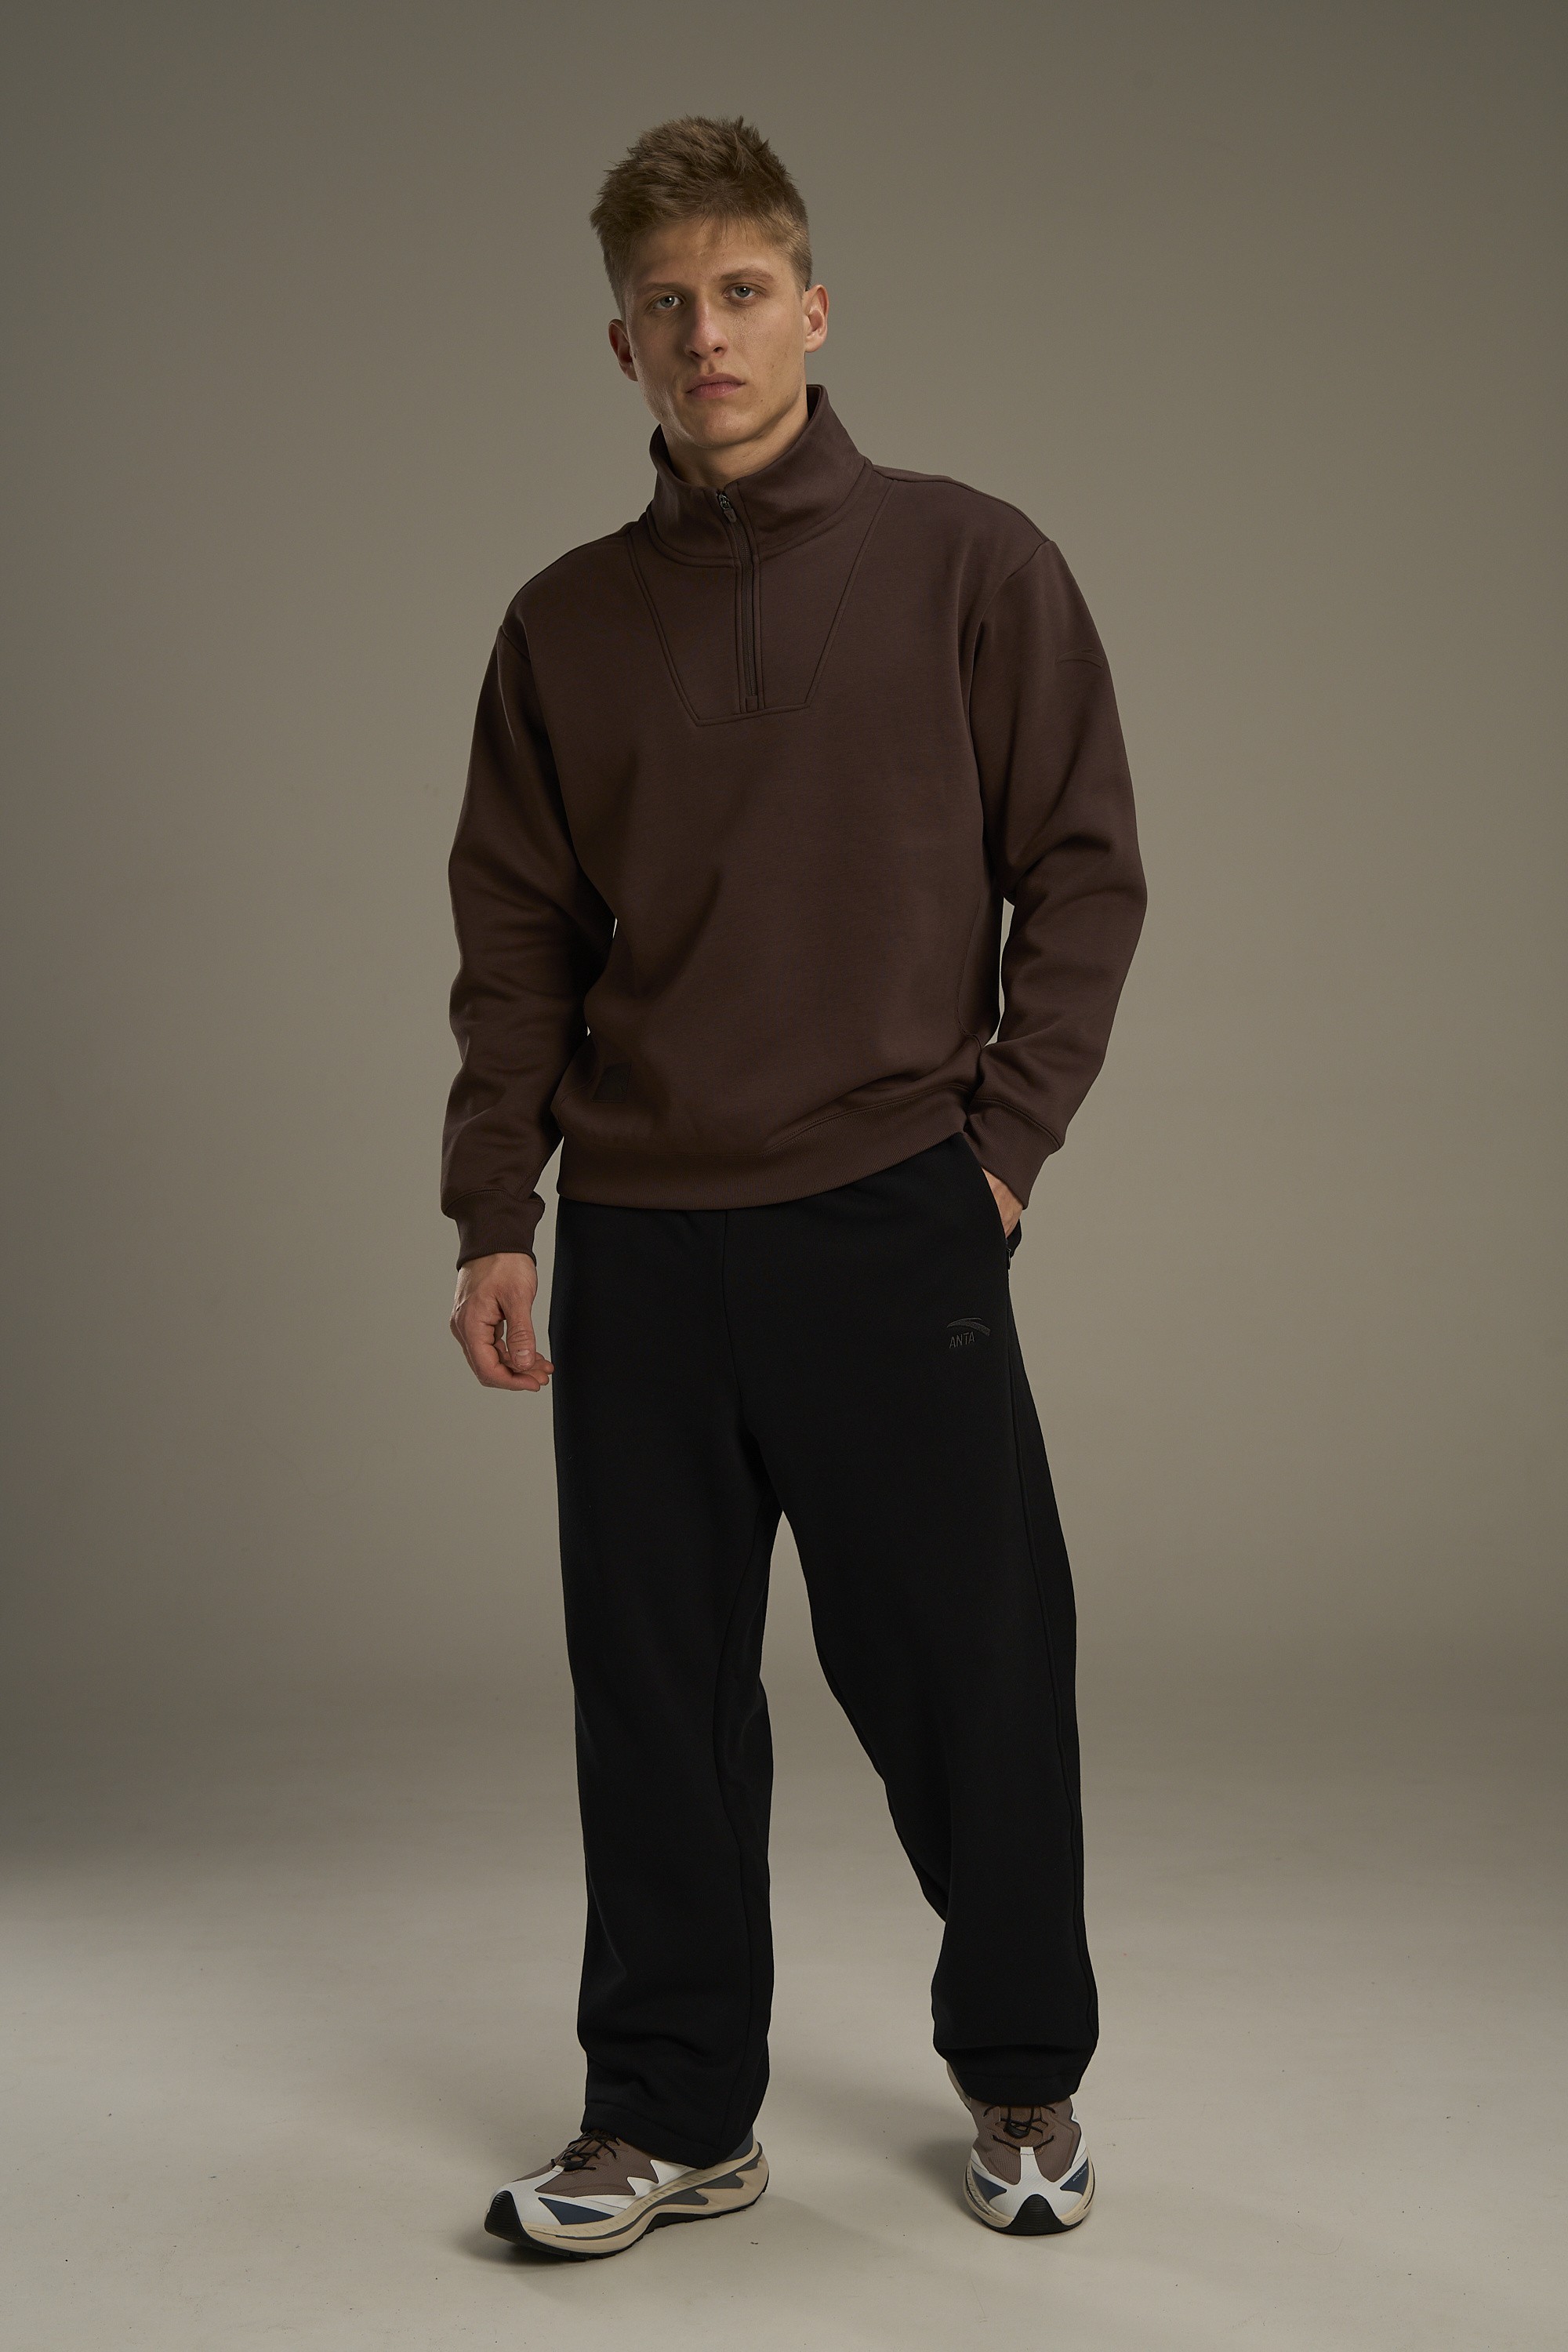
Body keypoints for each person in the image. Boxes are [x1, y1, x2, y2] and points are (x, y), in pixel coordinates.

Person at [441, 114, 1145, 2260]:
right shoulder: (565, 624)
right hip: (643, 1236)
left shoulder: (971, 564)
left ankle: (1022, 2071)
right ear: (621, 347)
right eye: (665, 306)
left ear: (814, 311)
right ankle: (669, 2114)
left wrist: (999, 1152)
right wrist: (495, 1209)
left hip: (888, 1212)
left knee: (971, 1670)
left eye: (742, 292)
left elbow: (1086, 872)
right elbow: (518, 938)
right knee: (655, 1696)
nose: (707, 335)